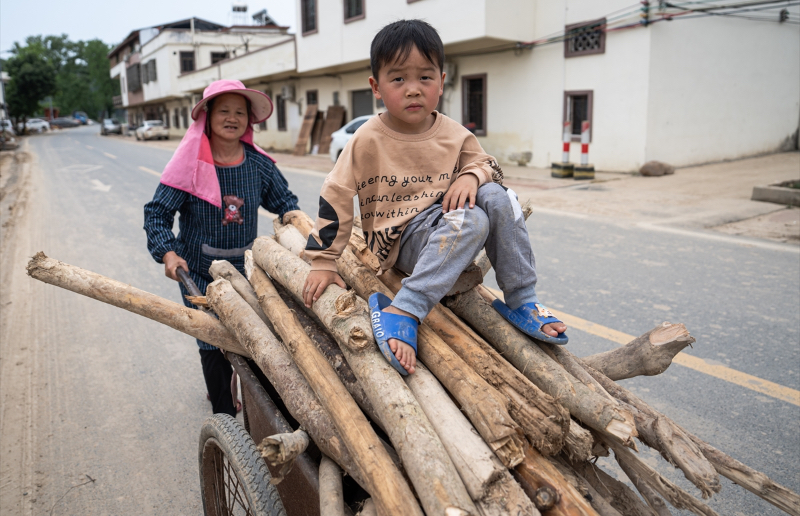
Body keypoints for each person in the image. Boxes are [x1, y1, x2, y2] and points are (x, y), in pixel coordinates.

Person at [302, 20, 568, 377]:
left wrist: (472, 175)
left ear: (441, 82)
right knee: (473, 219)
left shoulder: (454, 133)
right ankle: (405, 308)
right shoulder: (367, 138)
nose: (413, 90)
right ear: (376, 87)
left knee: (501, 196)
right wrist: (323, 260)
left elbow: (487, 164)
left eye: (425, 78)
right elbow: (335, 193)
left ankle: (522, 299)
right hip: (399, 240)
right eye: (398, 79)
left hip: (446, 225)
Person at [144, 79, 300, 415]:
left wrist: (297, 224)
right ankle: (225, 415)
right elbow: (156, 214)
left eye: (239, 112)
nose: (232, 118)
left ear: (249, 120)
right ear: (208, 117)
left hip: (247, 272)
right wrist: (168, 253)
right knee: (212, 342)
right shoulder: (189, 166)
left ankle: (263, 412)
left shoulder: (260, 166)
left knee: (255, 339)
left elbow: (285, 202)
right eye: (224, 111)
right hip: (199, 274)